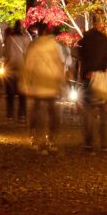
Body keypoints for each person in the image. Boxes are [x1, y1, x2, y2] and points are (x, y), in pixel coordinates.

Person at [20, 21, 65, 153]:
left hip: (37, 83)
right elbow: (60, 65)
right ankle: (51, 140)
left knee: (36, 112)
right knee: (53, 113)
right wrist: (61, 82)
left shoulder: (33, 45)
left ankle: (36, 140)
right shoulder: (55, 46)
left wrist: (26, 83)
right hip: (51, 84)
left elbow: (28, 66)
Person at [77, 12, 107, 151]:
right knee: (104, 109)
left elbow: (80, 57)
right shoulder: (105, 41)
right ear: (100, 24)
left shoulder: (84, 40)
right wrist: (101, 68)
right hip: (101, 76)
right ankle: (105, 142)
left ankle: (88, 141)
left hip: (88, 76)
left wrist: (85, 72)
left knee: (88, 109)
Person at [2, 20, 31, 122]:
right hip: (22, 68)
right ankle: (22, 115)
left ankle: (10, 114)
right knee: (22, 92)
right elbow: (29, 54)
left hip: (10, 67)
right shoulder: (26, 39)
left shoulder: (9, 39)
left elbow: (4, 53)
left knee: (10, 93)